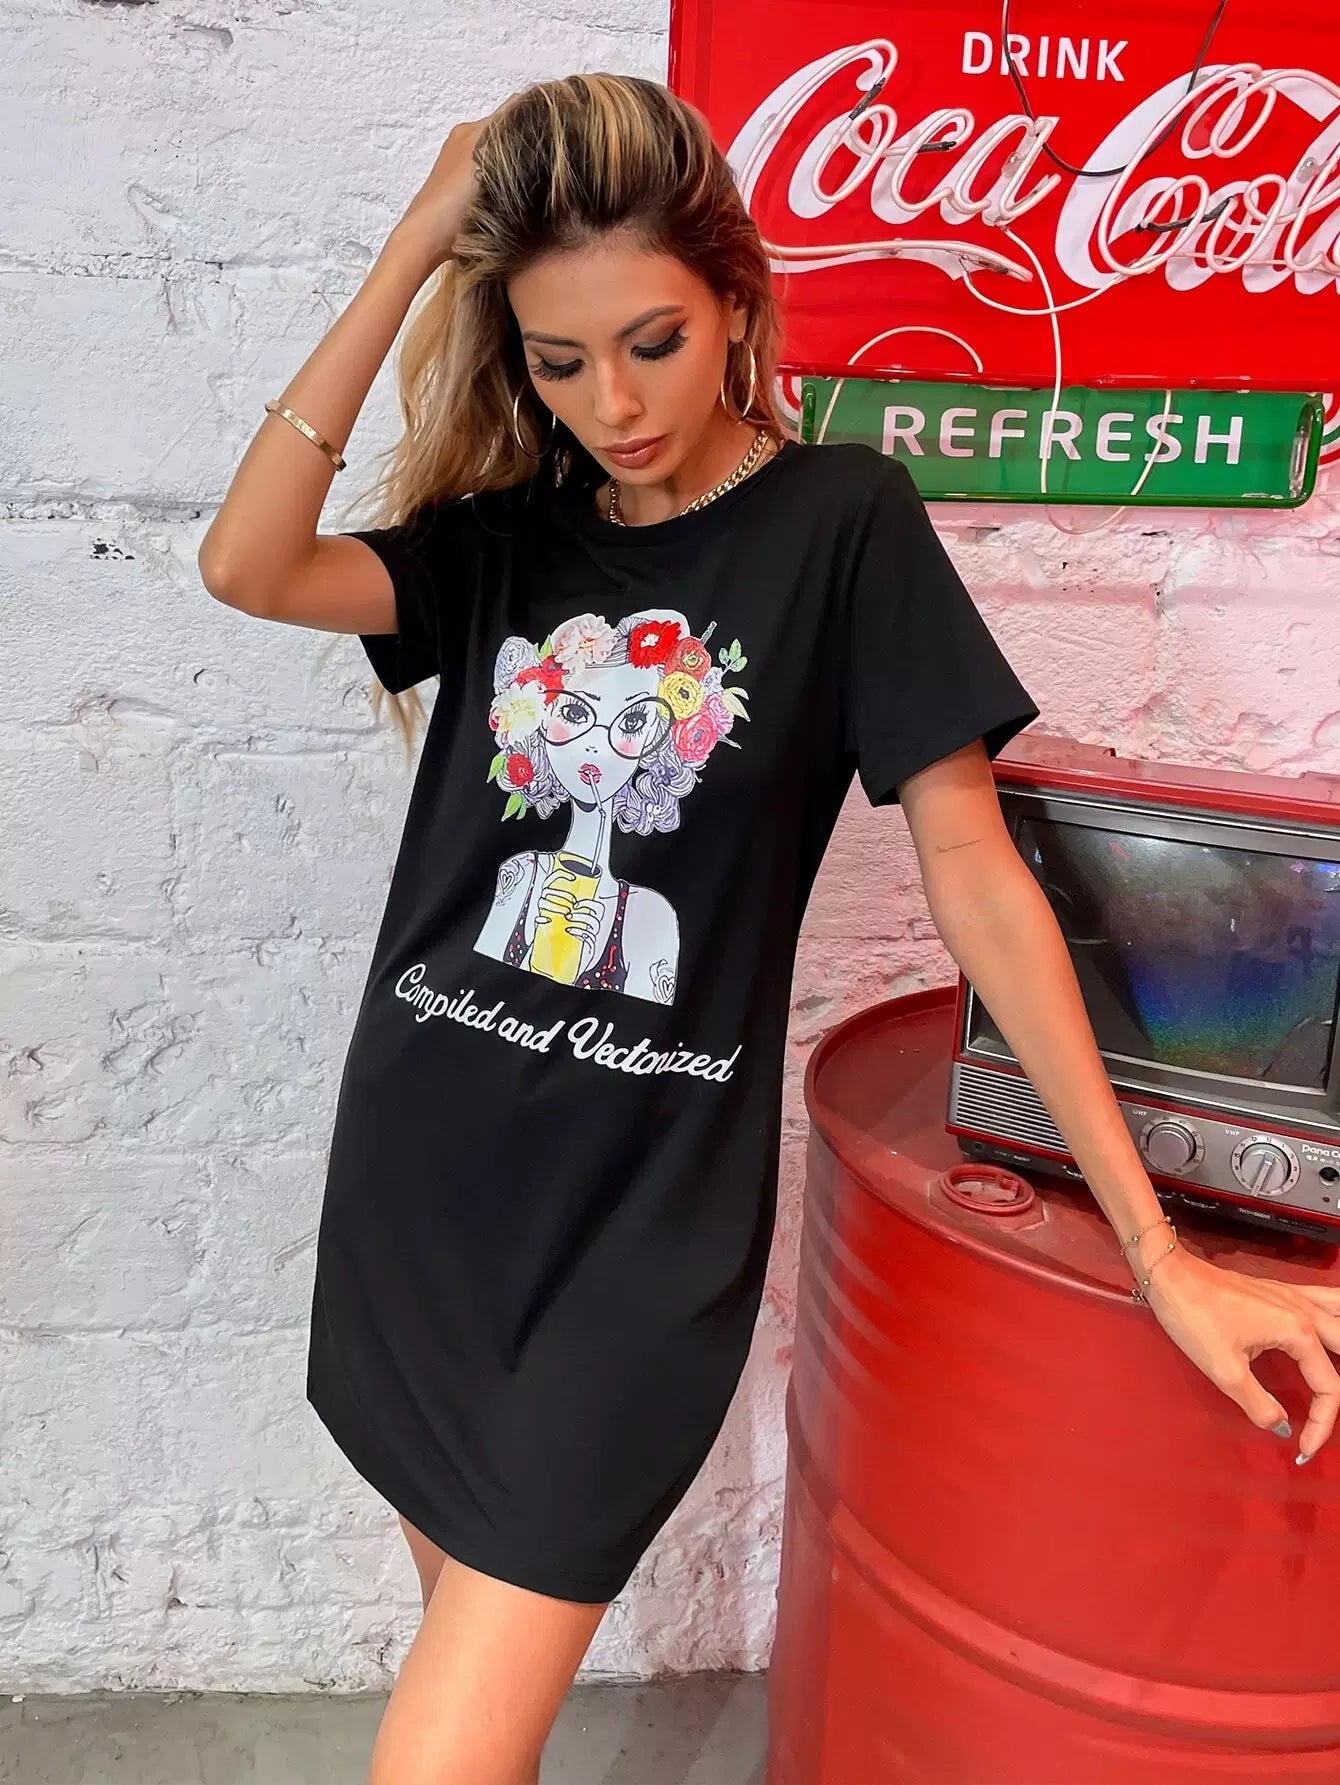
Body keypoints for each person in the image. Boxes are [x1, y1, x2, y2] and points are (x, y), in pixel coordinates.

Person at [197, 71, 1340, 1785]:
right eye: (559, 361)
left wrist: (1155, 1243)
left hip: (636, 1234)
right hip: (421, 1195)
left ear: (734, 300)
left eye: (652, 341)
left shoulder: (840, 524)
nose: (612, 403)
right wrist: (419, 243)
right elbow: (248, 566)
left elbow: (978, 875)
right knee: (476, 1697)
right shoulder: (504, 546)